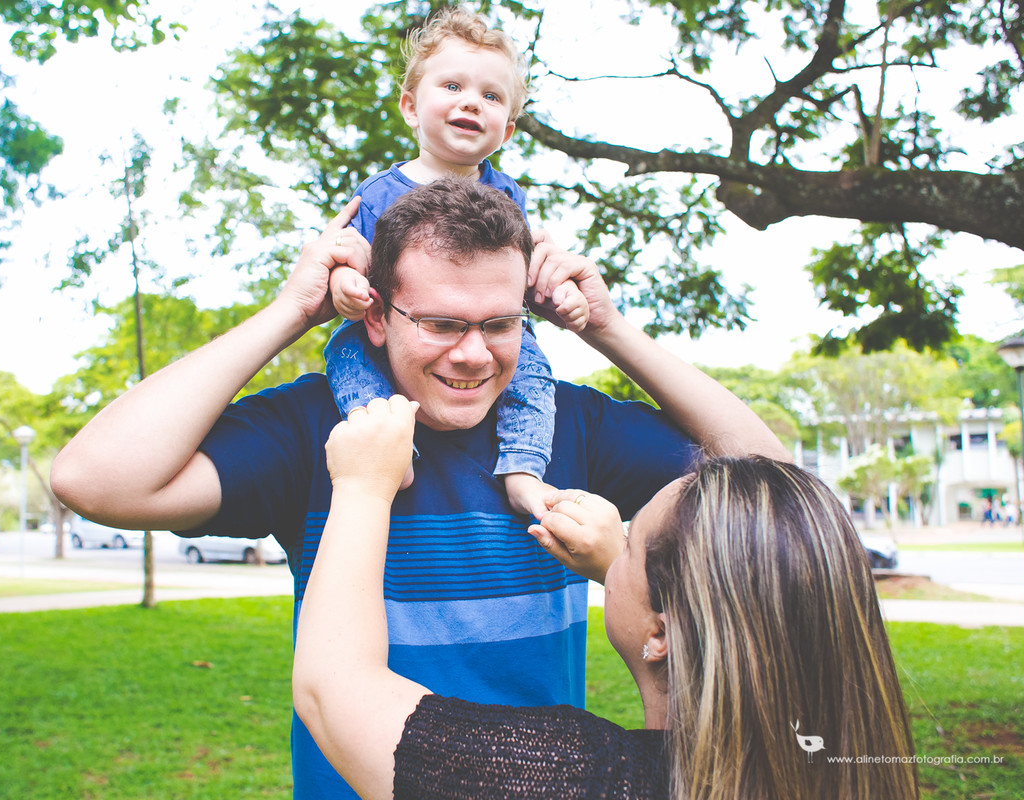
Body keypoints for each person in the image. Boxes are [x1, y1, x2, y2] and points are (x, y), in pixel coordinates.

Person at [50, 177, 788, 799]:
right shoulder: (317, 429)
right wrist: (289, 313)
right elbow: (92, 479)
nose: (473, 355)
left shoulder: (572, 424)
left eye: (500, 324)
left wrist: (611, 331)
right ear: (374, 315)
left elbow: (771, 483)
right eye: (441, 323)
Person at [296, 395, 919, 800]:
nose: (610, 549)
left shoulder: (586, 780)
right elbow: (785, 525)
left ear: (664, 631)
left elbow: (332, 687)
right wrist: (608, 327)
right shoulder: (839, 765)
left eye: (629, 538)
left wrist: (361, 485)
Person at [325, 7, 588, 516]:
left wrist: (566, 294)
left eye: (491, 96)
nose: (472, 101)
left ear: (506, 129)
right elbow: (346, 255)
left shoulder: (508, 195)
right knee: (345, 356)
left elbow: (531, 267)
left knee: (534, 371)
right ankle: (389, 448)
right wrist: (344, 285)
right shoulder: (379, 193)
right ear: (409, 106)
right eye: (452, 86)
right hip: (391, 329)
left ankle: (522, 467)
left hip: (486, 334)